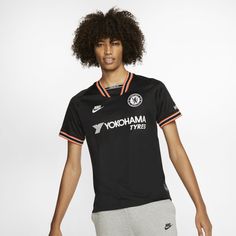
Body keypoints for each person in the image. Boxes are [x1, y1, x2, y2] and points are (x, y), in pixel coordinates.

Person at [49, 6, 212, 236]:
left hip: (155, 206)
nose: (107, 51)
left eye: (114, 43)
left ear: (126, 45)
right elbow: (72, 167)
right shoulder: (80, 103)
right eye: (100, 44)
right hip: (108, 214)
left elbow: (176, 150)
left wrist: (200, 206)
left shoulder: (152, 90)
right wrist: (56, 224)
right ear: (90, 48)